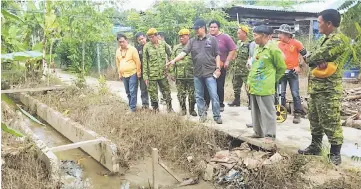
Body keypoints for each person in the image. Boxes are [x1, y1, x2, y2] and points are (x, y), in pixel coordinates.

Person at [298, 9, 346, 165]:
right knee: (315, 119)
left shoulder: (338, 40)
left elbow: (312, 58)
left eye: (319, 22)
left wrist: (311, 58)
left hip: (329, 89)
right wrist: (311, 58)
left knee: (331, 120)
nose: (318, 25)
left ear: (329, 23)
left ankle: (335, 154)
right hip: (316, 87)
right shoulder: (323, 39)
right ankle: (315, 146)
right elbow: (311, 57)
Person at [168, 19, 222, 124]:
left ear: (203, 28)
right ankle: (202, 115)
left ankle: (217, 116)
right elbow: (184, 52)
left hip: (210, 73)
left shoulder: (212, 40)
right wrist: (174, 60)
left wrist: (218, 68)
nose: (195, 31)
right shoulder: (192, 41)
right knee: (199, 96)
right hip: (197, 74)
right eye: (195, 29)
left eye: (197, 29)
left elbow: (217, 55)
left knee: (214, 95)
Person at [247, 25, 286, 143]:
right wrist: (249, 81)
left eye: (255, 35)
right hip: (254, 84)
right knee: (255, 110)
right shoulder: (257, 48)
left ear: (263, 36)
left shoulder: (273, 49)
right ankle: (258, 132)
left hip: (265, 86)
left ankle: (270, 135)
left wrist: (272, 79)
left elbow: (281, 67)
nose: (254, 38)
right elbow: (254, 65)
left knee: (268, 111)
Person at [275, 24, 308, 124]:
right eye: (279, 33)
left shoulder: (297, 43)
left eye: (281, 33)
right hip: (281, 72)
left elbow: (306, 56)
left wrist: (300, 66)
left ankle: (297, 114)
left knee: (295, 93)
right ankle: (281, 113)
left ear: (287, 34)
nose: (279, 35)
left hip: (293, 72)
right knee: (281, 94)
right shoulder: (277, 44)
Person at [204, 20, 237, 112]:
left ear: (218, 28)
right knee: (206, 86)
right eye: (211, 27)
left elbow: (233, 49)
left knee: (219, 85)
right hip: (208, 66)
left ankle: (220, 104)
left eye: (214, 27)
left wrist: (227, 61)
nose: (212, 29)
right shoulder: (207, 37)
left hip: (221, 66)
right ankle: (206, 104)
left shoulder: (225, 37)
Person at [142, 28, 173, 112]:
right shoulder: (146, 47)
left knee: (166, 91)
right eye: (149, 37)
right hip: (151, 75)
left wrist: (170, 69)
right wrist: (145, 76)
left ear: (156, 36)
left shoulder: (163, 44)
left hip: (163, 74)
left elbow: (171, 55)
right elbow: (144, 62)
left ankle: (170, 109)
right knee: (153, 94)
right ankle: (156, 110)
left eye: (152, 37)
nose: (151, 39)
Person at [169, 29, 197, 116]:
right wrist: (172, 74)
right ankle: (183, 110)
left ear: (188, 36)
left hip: (191, 75)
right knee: (181, 94)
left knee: (193, 94)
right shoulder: (176, 48)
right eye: (180, 37)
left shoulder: (194, 47)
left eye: (183, 36)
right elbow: (172, 61)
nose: (181, 38)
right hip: (180, 76)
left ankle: (192, 109)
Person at [228, 25, 256, 109]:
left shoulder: (250, 44)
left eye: (239, 33)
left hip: (246, 70)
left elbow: (251, 56)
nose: (237, 34)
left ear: (244, 33)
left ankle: (251, 102)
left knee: (248, 86)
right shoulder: (239, 43)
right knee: (236, 85)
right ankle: (237, 101)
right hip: (237, 69)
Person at [115, 33, 141, 113]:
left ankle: (132, 108)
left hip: (132, 73)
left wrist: (138, 72)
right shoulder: (118, 51)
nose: (122, 43)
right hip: (123, 75)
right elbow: (118, 63)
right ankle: (131, 106)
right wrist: (119, 73)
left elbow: (137, 61)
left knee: (133, 90)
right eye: (120, 42)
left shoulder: (132, 49)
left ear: (127, 40)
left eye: (123, 41)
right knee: (128, 91)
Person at [135, 32, 150, 109]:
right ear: (137, 41)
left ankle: (156, 105)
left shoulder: (151, 46)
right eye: (139, 40)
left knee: (153, 89)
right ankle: (145, 105)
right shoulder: (137, 49)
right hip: (143, 72)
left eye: (142, 38)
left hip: (152, 71)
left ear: (145, 38)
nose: (141, 40)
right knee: (143, 89)